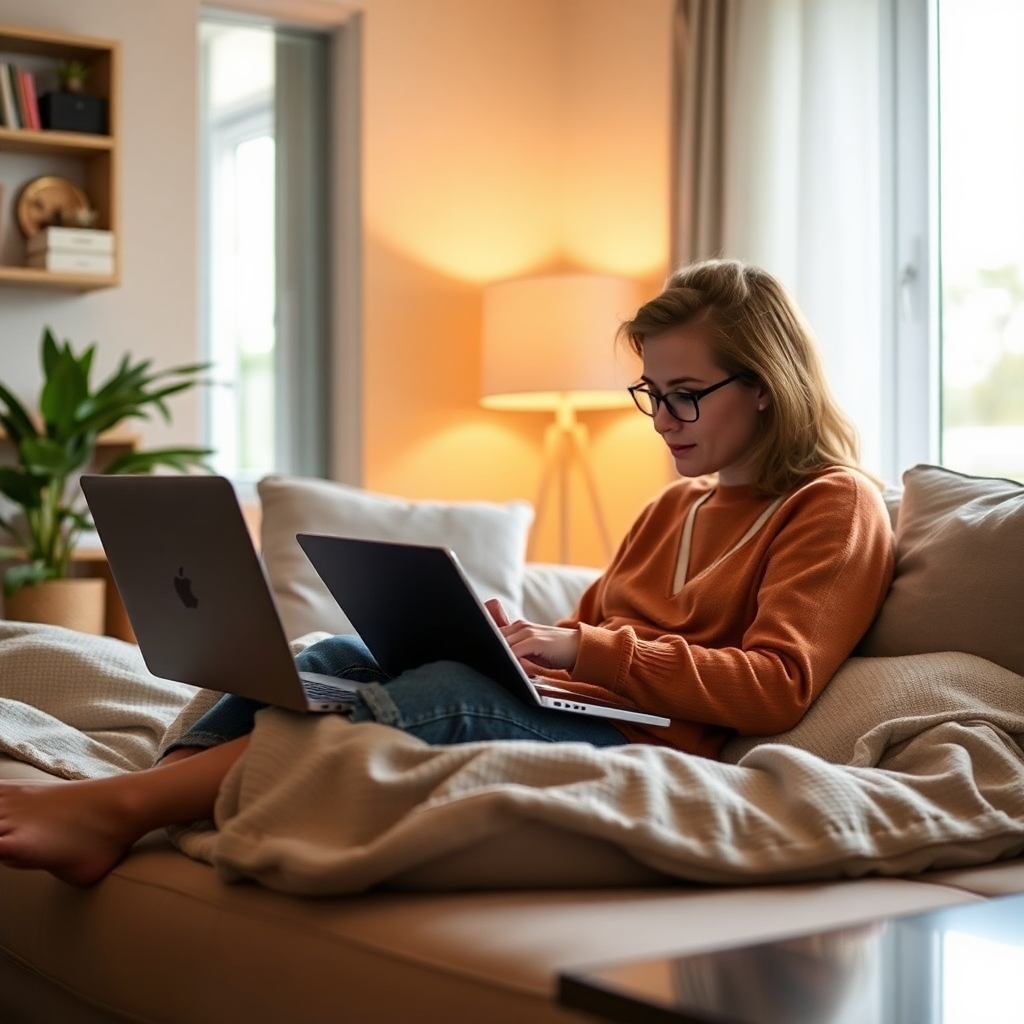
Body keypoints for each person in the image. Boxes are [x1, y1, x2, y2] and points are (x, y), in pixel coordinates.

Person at [0, 258, 894, 885]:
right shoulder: (675, 506)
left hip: (651, 742)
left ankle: (118, 813)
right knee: (333, 654)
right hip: (575, 706)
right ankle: (153, 795)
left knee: (437, 693)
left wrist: (577, 650)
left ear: (765, 384)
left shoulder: (832, 502)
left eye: (685, 396)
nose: (662, 419)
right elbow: (592, 629)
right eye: (651, 395)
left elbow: (775, 685)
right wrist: (515, 640)